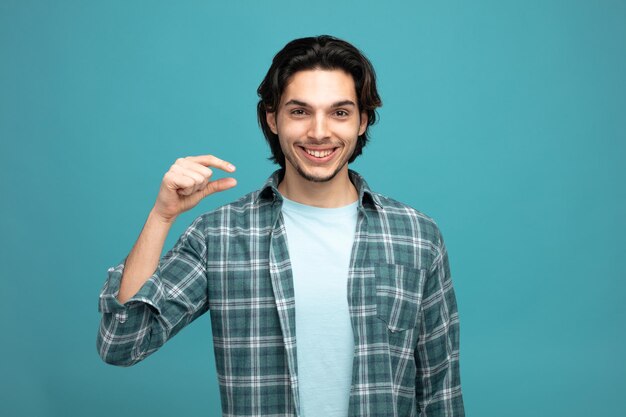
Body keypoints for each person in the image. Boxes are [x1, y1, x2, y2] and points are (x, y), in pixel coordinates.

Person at [97, 35, 465, 417]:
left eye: (339, 112)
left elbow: (441, 394)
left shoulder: (417, 237)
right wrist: (162, 216)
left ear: (362, 121)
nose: (319, 132)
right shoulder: (220, 236)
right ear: (273, 118)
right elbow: (122, 343)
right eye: (300, 112)